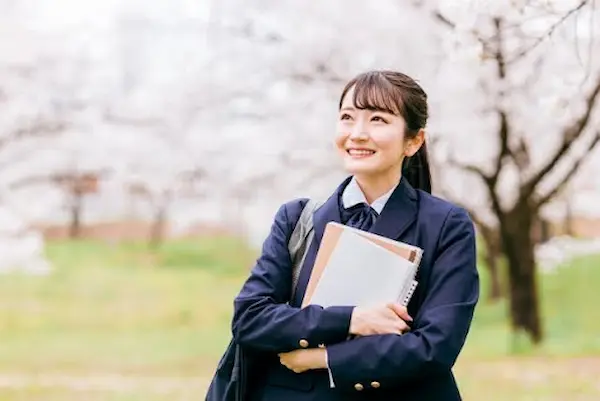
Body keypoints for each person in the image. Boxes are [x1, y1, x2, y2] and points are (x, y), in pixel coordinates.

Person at [224, 70, 479, 401]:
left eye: (377, 120)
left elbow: (436, 346)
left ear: (413, 141)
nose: (358, 134)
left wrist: (323, 358)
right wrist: (353, 319)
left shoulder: (445, 224)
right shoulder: (297, 218)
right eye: (347, 117)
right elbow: (250, 318)